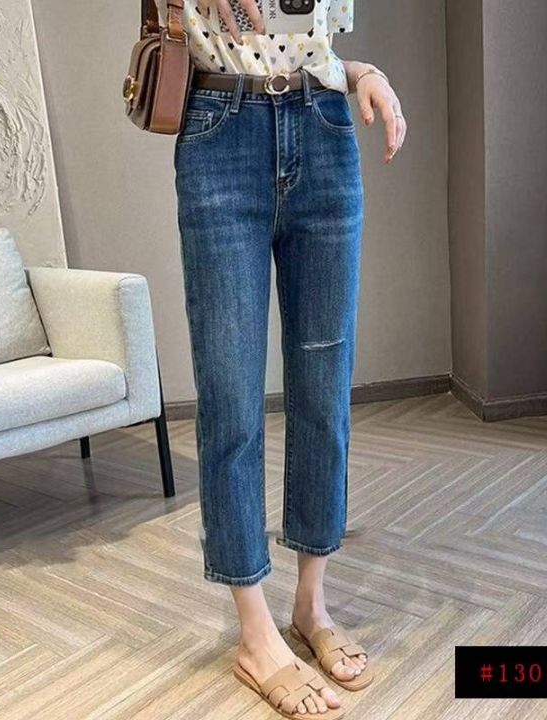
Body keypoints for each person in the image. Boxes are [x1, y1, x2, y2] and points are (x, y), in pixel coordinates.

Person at [163, 0, 407, 716]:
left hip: (325, 130)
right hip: (220, 132)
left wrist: (362, 72)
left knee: (324, 388)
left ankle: (310, 605)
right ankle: (254, 633)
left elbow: (309, 45)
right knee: (231, 396)